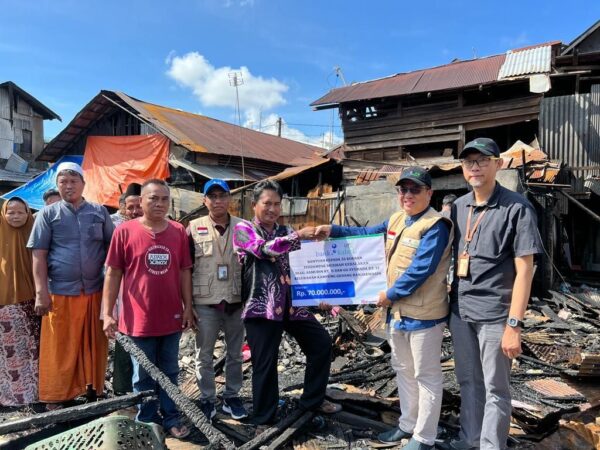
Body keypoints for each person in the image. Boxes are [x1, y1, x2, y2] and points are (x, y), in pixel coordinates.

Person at [316, 167, 452, 450]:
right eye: (403, 189)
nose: (407, 195)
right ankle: (407, 425)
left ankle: (424, 437)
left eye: (415, 190)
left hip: (424, 315)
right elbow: (366, 233)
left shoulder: (435, 225)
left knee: (425, 376)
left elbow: (420, 270)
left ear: (430, 193)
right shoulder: (397, 219)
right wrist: (332, 230)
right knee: (402, 369)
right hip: (398, 315)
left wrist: (388, 295)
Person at [446, 138, 542, 450]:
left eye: (482, 160)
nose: (474, 166)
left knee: (495, 388)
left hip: (496, 315)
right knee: (468, 381)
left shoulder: (517, 208)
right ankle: (469, 439)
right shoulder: (459, 207)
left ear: (498, 164)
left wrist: (514, 325)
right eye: (468, 161)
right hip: (461, 312)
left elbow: (525, 270)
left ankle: (490, 445)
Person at [233, 180, 340, 428]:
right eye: (267, 203)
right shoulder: (243, 229)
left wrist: (321, 297)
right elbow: (263, 250)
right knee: (265, 364)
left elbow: (304, 268)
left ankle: (312, 400)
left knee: (321, 344)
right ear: (254, 204)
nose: (272, 209)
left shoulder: (285, 230)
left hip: (293, 305)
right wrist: (299, 236)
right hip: (262, 308)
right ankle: (264, 418)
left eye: (277, 204)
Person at [103, 179, 195, 439]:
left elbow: (184, 272)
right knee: (142, 375)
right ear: (141, 201)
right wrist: (107, 313)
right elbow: (113, 274)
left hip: (171, 317)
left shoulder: (178, 231)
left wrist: (188, 307)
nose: (159, 203)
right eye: (153, 198)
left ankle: (171, 417)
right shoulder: (125, 231)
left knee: (170, 371)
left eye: (164, 199)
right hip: (137, 320)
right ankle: (147, 421)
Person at [27, 162, 113, 407]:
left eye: (73, 181)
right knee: (60, 348)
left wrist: (112, 289)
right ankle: (56, 396)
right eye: (63, 182)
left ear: (83, 184)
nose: (68, 186)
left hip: (95, 291)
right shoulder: (47, 214)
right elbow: (39, 255)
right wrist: (41, 293)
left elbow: (112, 249)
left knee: (94, 344)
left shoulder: (99, 212)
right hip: (60, 292)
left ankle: (92, 390)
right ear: (57, 186)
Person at [188, 179, 247, 421]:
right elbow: (185, 268)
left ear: (229, 199)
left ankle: (231, 397)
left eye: (222, 195)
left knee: (235, 354)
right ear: (205, 201)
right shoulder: (192, 228)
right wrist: (187, 305)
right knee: (204, 354)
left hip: (235, 301)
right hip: (205, 303)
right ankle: (207, 399)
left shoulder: (244, 227)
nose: (218, 200)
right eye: (212, 196)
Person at [0, 197, 40, 406]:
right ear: (4, 214)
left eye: (20, 212)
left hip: (33, 302)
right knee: (6, 353)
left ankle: (31, 396)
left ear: (28, 213)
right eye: (11, 212)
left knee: (31, 350)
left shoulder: (36, 231)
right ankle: (7, 398)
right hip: (4, 304)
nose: (15, 216)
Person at [109, 182, 143, 396]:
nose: (134, 211)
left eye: (138, 206)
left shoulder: (156, 225)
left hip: (146, 293)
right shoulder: (112, 225)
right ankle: (122, 388)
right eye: (129, 207)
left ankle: (145, 387)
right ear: (122, 207)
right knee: (124, 337)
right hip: (120, 290)